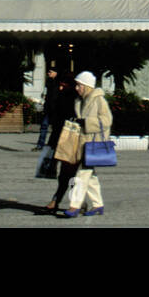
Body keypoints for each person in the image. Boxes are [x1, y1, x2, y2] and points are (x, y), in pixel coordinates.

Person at [61, 70, 112, 218]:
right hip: (82, 143)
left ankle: (74, 206)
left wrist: (87, 122)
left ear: (87, 86)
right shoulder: (79, 101)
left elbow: (107, 120)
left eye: (79, 85)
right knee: (91, 177)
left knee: (81, 175)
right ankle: (98, 205)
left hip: (93, 144)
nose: (77, 88)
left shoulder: (99, 100)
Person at [44, 72, 75, 211]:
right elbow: (51, 108)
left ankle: (63, 200)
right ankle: (64, 200)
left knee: (71, 172)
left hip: (72, 137)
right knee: (65, 173)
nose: (61, 86)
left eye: (64, 83)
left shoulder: (75, 97)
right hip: (58, 136)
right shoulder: (60, 94)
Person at [35, 67, 59, 150]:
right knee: (44, 126)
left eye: (50, 72)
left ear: (55, 73)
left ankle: (53, 144)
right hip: (48, 107)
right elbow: (45, 92)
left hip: (55, 108)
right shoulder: (48, 82)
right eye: (48, 72)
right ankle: (40, 145)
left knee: (55, 128)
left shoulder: (59, 82)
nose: (48, 73)